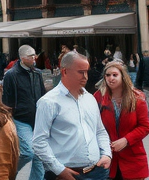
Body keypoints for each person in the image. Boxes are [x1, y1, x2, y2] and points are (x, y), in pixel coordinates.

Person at [31, 52, 112, 180]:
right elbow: (39, 141)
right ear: (64, 72)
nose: (85, 77)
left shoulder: (90, 99)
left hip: (97, 171)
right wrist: (59, 169)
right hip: (66, 173)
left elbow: (100, 131)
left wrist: (107, 154)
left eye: (86, 72)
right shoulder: (49, 102)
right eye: (80, 72)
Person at [94, 61, 149, 180]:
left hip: (132, 157)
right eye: (107, 75)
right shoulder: (98, 97)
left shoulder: (137, 97)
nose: (111, 78)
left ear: (122, 76)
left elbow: (144, 127)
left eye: (115, 75)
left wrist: (126, 140)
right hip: (107, 158)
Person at [2, 44, 46, 180]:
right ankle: (8, 173)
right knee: (29, 152)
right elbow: (7, 99)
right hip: (20, 118)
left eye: (35, 55)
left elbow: (43, 94)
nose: (34, 58)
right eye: (31, 56)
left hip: (37, 118)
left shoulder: (37, 73)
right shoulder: (11, 75)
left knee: (39, 155)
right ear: (22, 58)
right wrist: (8, 117)